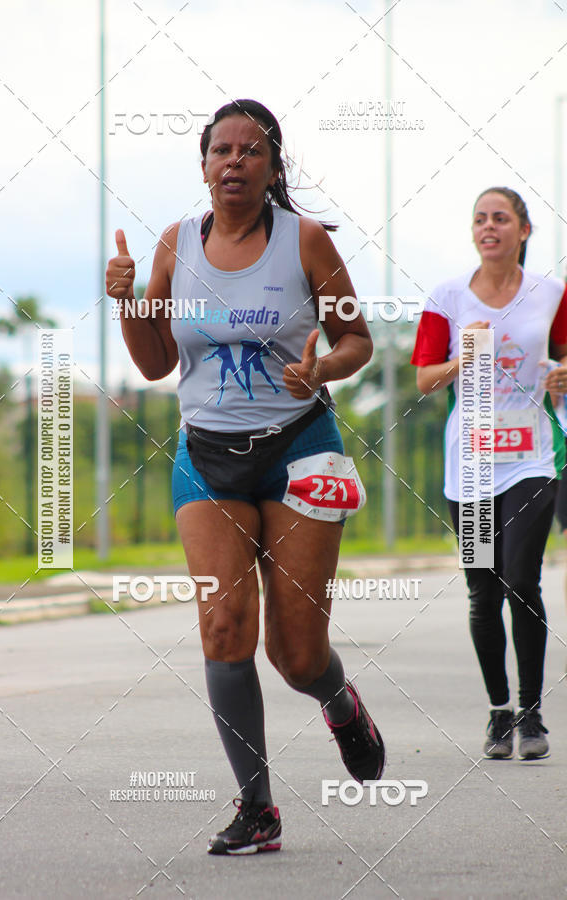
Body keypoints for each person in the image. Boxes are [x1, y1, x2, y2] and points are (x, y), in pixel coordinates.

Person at [106, 99, 385, 855]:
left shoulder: (308, 242)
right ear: (203, 166)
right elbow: (158, 364)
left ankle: (336, 698)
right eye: (220, 150)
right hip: (207, 456)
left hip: (299, 450)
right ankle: (257, 808)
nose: (234, 161)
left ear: (271, 167)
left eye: (250, 151)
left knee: (294, 655)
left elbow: (358, 337)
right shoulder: (173, 245)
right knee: (224, 627)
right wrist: (129, 302)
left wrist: (323, 365)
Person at [411, 187, 567, 761]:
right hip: (472, 465)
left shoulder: (551, 293)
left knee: (522, 580)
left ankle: (532, 714)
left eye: (501, 218)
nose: (489, 227)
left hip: (531, 457)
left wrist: (564, 374)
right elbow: (425, 379)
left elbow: (566, 356)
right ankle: (499, 711)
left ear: (524, 230)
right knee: (483, 590)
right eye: (479, 219)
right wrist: (461, 360)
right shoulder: (448, 297)